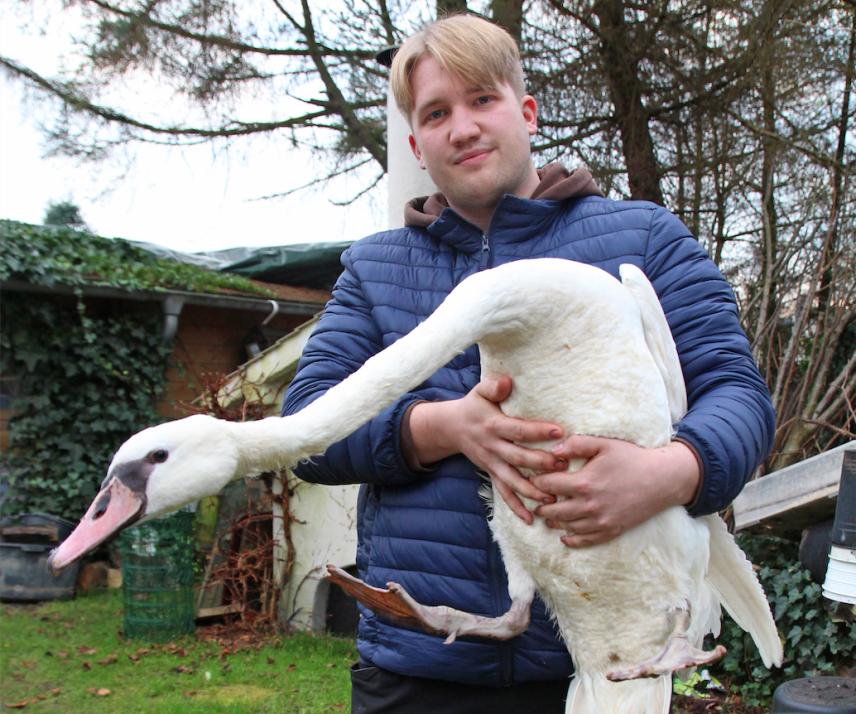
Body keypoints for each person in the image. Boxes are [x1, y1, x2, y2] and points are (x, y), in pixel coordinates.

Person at [282, 14, 774, 714]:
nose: (463, 127)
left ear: (528, 111)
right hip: (420, 676)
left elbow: (739, 397)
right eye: (437, 113)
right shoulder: (375, 271)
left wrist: (668, 473)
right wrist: (440, 428)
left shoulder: (645, 238)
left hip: (603, 668)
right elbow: (306, 429)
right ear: (417, 144)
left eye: (482, 99)